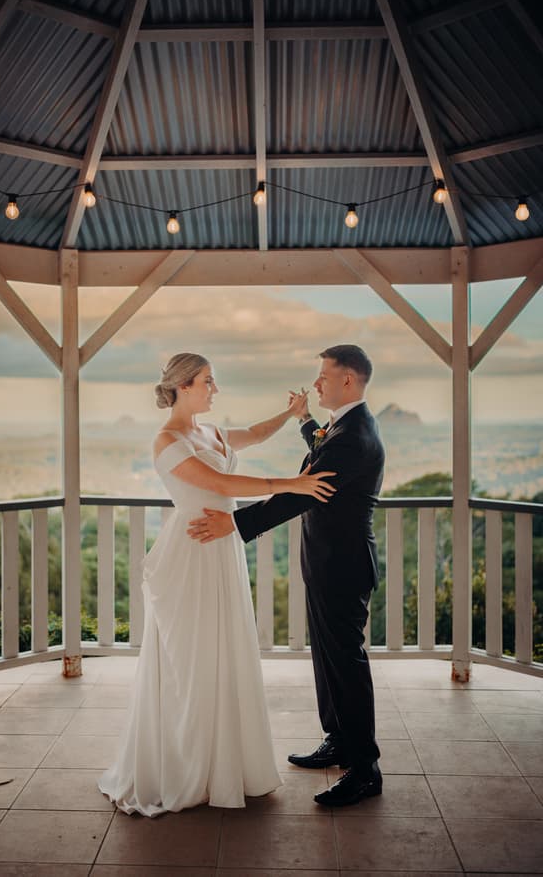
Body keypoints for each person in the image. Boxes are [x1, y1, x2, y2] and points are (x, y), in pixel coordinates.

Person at [98, 352, 335, 817]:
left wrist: (291, 415)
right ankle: (186, 767)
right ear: (183, 386)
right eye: (208, 381)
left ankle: (221, 765)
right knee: (191, 660)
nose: (215, 388)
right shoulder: (167, 440)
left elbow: (254, 435)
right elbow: (219, 484)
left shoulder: (210, 432)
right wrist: (292, 484)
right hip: (191, 552)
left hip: (220, 547)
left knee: (222, 652)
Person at [188, 344, 385, 807]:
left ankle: (364, 768)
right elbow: (323, 449)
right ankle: (337, 739)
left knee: (347, 663)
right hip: (326, 562)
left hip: (343, 565)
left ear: (348, 382)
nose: (316, 384)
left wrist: (235, 524)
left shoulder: (355, 436)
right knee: (328, 657)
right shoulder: (344, 427)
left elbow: (302, 494)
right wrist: (303, 422)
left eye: (323, 376)